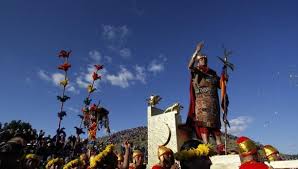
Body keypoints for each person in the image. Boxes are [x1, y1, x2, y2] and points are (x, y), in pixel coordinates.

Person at [187, 42, 224, 153]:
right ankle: (206, 148)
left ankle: (220, 148)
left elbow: (220, 85)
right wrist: (196, 52)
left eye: (205, 59)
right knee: (204, 126)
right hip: (202, 102)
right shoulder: (196, 71)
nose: (204, 60)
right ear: (199, 60)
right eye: (201, 59)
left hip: (214, 103)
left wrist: (224, 78)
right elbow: (189, 66)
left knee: (216, 127)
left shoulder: (213, 73)